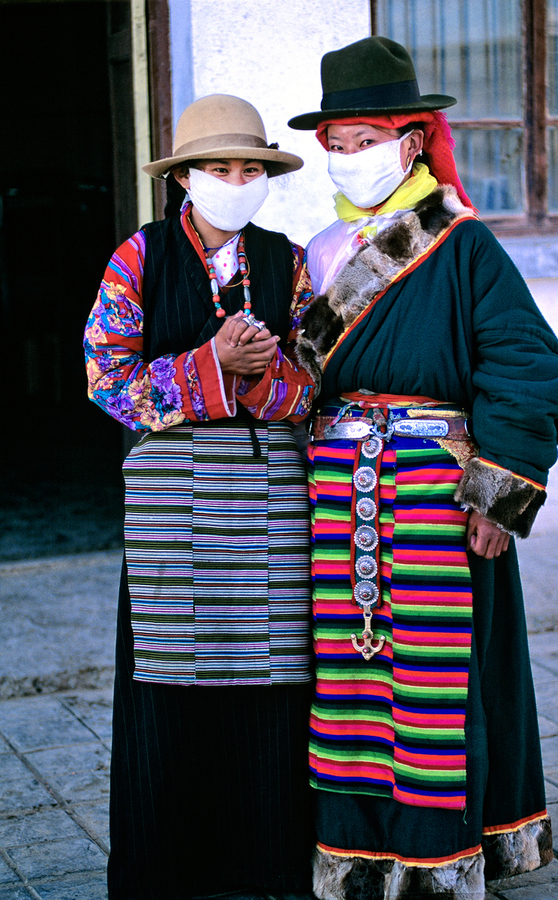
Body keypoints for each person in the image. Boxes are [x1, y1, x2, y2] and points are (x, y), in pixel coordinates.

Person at [287, 36, 558, 900]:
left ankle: (437, 860)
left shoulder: (462, 245)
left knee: (430, 683)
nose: (351, 155)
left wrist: (497, 495)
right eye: (338, 143)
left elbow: (529, 364)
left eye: (367, 139)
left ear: (411, 141)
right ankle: (356, 850)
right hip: (338, 495)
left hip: (433, 496)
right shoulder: (319, 252)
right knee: (347, 679)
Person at [84, 94, 317, 900]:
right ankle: (167, 871)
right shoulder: (138, 259)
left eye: (251, 168)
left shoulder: (290, 262)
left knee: (274, 675)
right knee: (170, 679)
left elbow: (317, 381)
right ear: (184, 177)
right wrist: (210, 363)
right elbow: (105, 380)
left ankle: (270, 863)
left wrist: (259, 378)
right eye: (220, 167)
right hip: (173, 504)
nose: (236, 180)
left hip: (270, 499)